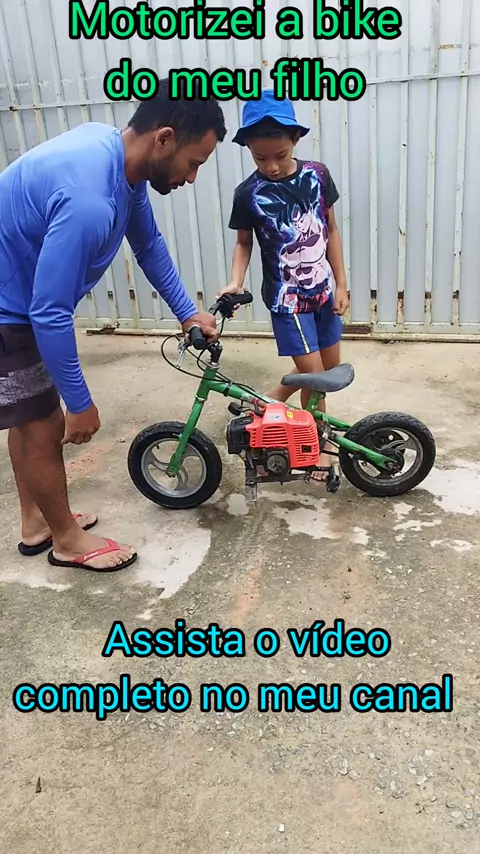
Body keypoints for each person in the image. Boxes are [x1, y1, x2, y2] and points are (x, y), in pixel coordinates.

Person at [0, 80, 226, 572]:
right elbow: (49, 312)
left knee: (30, 413)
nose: (191, 178)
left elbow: (148, 245)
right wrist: (81, 404)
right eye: (194, 163)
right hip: (8, 310)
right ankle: (66, 540)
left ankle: (37, 521)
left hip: (18, 296)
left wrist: (187, 312)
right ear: (164, 138)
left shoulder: (118, 159)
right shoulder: (88, 200)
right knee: (44, 421)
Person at [219, 90, 349, 480]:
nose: (271, 166)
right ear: (248, 148)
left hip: (323, 291)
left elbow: (331, 230)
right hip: (287, 299)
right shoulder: (248, 194)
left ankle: (270, 401)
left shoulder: (318, 175)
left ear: (295, 139)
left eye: (279, 154)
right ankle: (319, 447)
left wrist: (341, 284)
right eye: (260, 158)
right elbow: (244, 243)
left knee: (328, 368)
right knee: (315, 379)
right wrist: (235, 280)